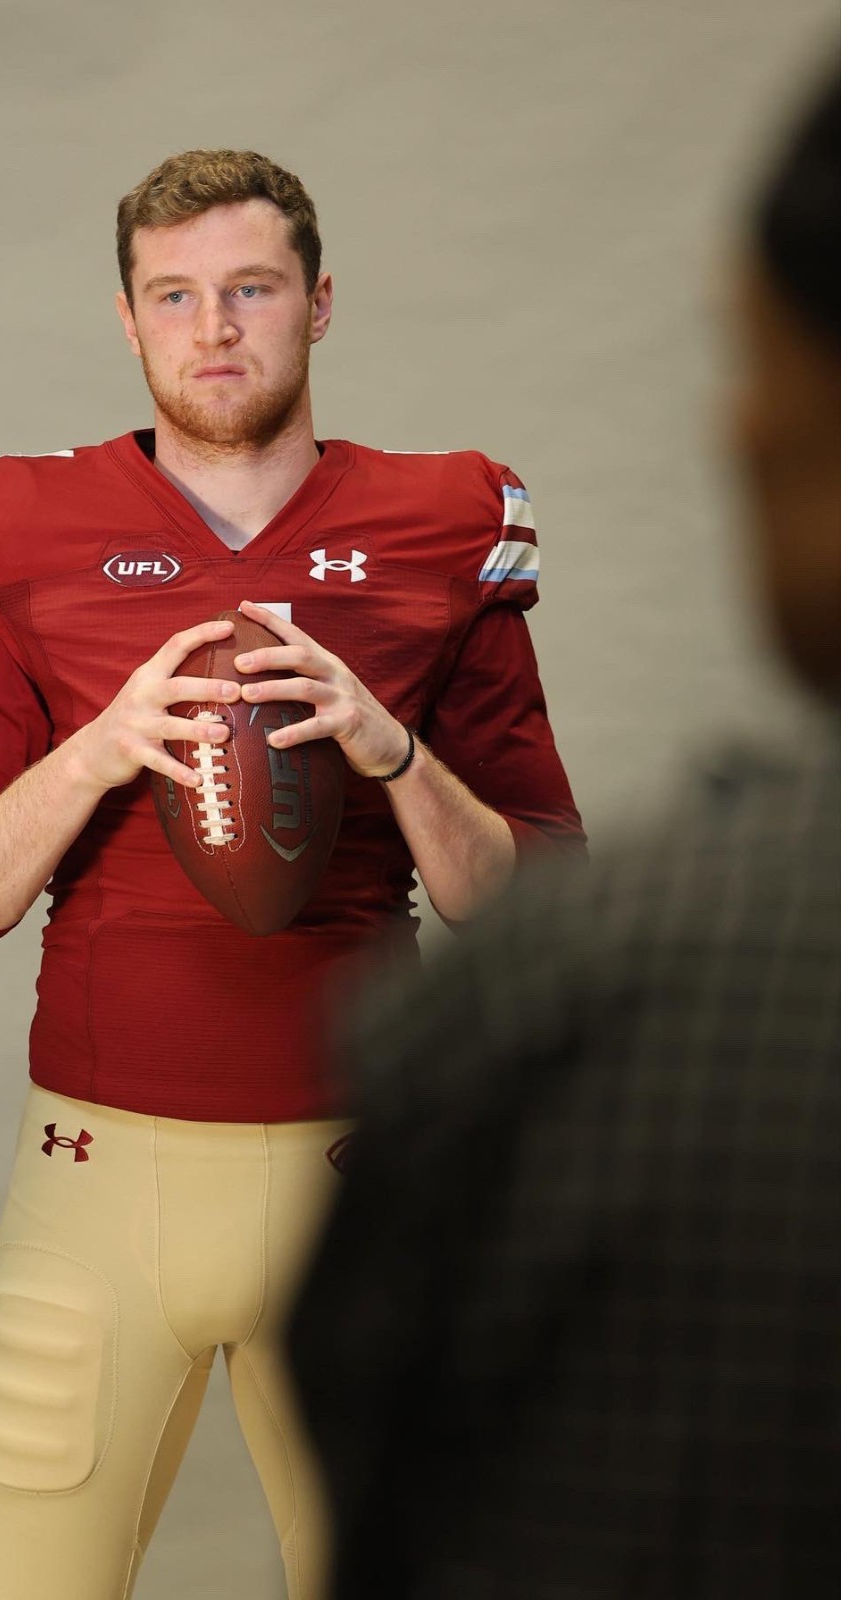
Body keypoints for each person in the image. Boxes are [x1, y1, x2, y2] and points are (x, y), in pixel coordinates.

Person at [0, 149, 585, 1599]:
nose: (212, 329)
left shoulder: (444, 522)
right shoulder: (22, 526)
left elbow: (544, 920)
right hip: (95, 1187)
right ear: (127, 317)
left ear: (318, 303)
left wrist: (393, 752)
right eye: (174, 295)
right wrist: (97, 753)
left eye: (250, 290)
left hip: (367, 1181)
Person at [287, 64, 841, 1600]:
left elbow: (379, 1513)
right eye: (177, 294)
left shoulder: (561, 1000)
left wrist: (395, 753)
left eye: (750, 361)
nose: (731, 427)